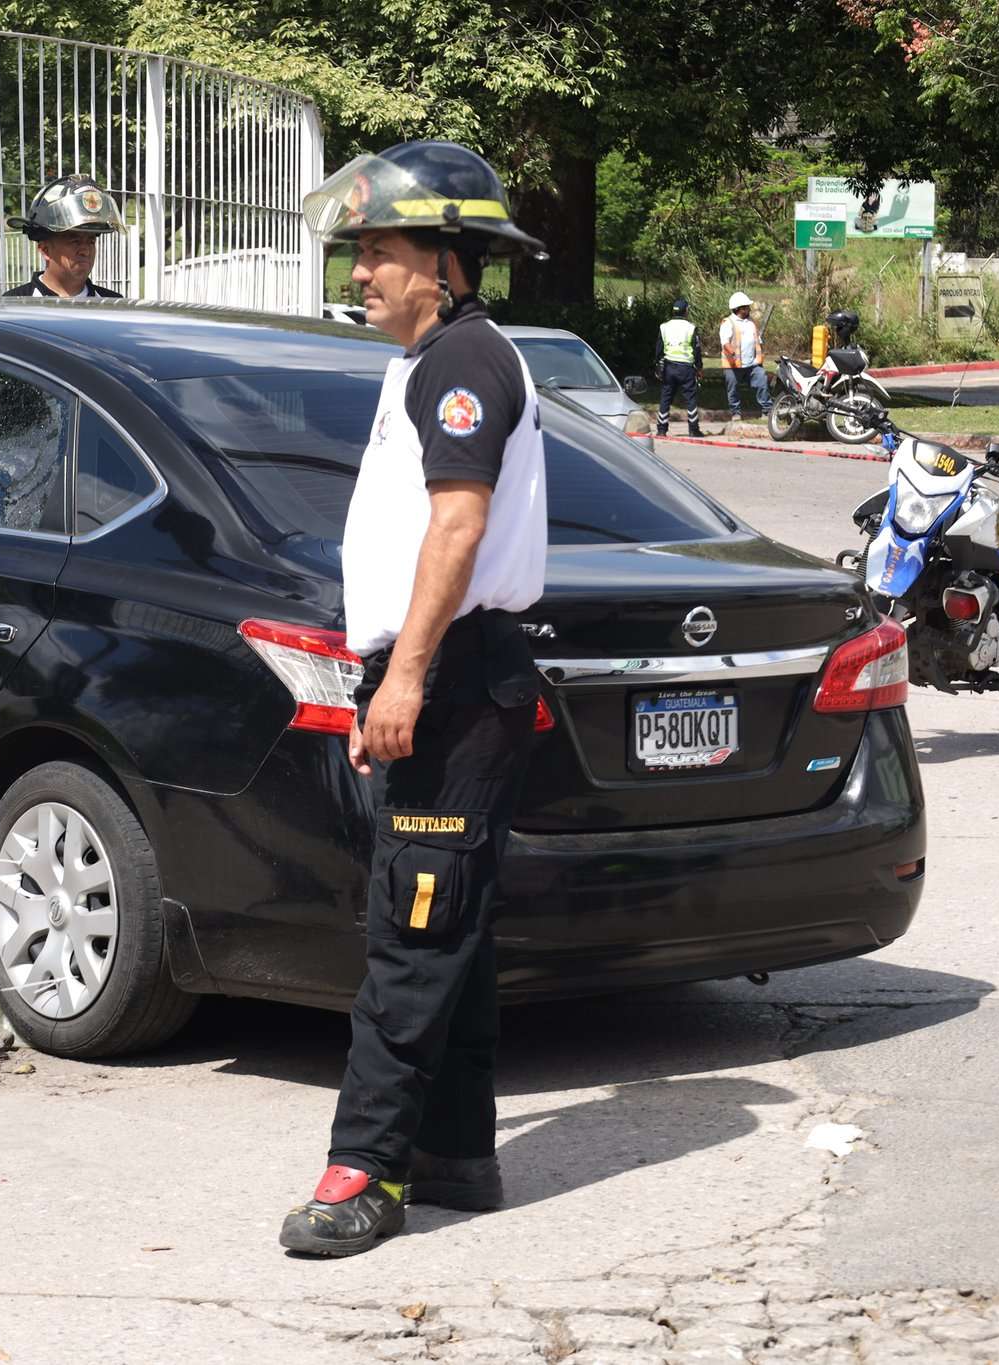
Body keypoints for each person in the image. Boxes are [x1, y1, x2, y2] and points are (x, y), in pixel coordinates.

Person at [278, 140, 550, 1258]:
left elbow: (457, 526)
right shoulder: (437, 359)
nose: (360, 276)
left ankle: (365, 1174)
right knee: (452, 919)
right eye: (358, 257)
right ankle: (453, 1153)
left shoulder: (462, 364)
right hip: (455, 673)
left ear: (446, 261)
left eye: (379, 254)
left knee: (412, 920)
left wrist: (400, 674)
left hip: (452, 676)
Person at [1, 174, 126, 299]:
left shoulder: (113, 304)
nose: (85, 251)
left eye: (91, 241)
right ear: (45, 250)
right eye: (75, 241)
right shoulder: (16, 303)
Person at [656, 297, 704, 438]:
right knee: (690, 398)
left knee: (665, 397)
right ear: (686, 311)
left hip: (669, 366)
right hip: (686, 368)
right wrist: (699, 367)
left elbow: (658, 349)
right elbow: (696, 349)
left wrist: (658, 365)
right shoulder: (691, 328)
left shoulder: (664, 327)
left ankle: (661, 429)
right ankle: (693, 429)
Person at [720, 291, 769, 419]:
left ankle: (767, 411)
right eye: (746, 307)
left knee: (762, 381)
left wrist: (761, 355)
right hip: (733, 365)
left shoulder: (751, 322)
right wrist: (733, 353)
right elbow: (725, 343)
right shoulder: (728, 323)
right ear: (738, 309)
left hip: (752, 364)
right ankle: (736, 413)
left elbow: (758, 341)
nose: (749, 308)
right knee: (733, 389)